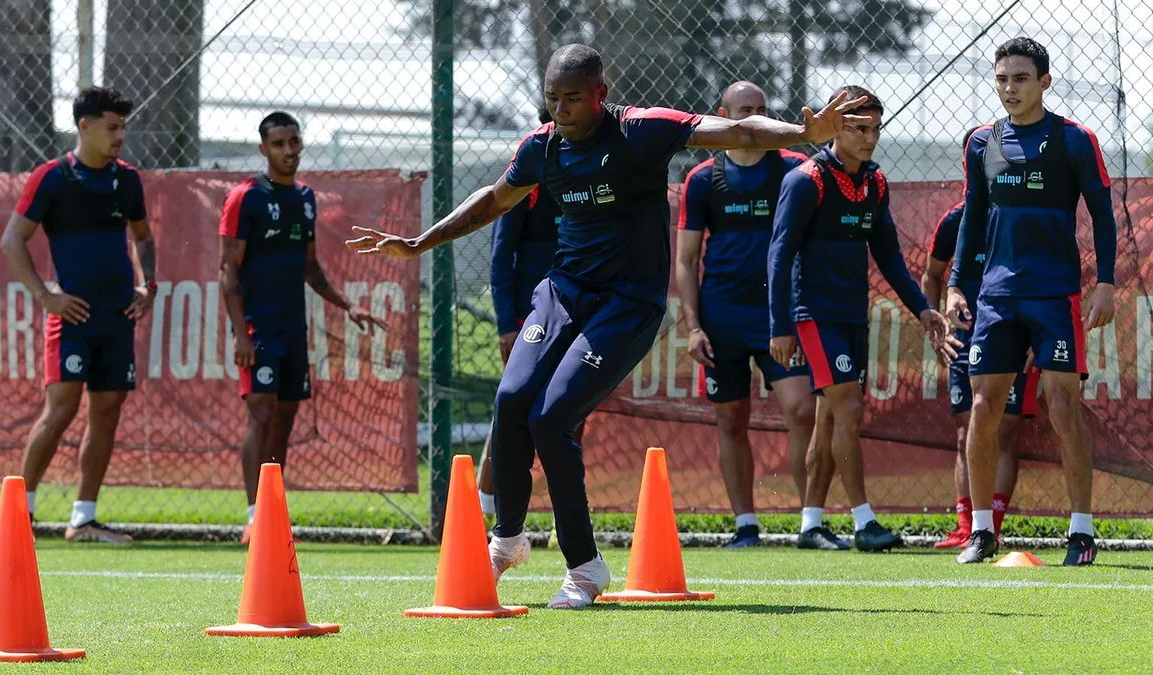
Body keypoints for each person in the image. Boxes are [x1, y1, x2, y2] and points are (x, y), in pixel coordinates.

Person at [347, 44, 870, 607]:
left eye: (573, 98)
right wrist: (421, 241)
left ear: (600, 93)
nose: (562, 110)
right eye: (553, 99)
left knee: (552, 418)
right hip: (563, 291)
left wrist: (801, 132)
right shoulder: (542, 146)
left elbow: (738, 131)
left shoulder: (641, 130)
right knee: (512, 400)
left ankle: (585, 567)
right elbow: (495, 199)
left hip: (629, 303)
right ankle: (508, 538)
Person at [947, 38, 1116, 565]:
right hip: (996, 297)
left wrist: (1106, 282)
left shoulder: (1075, 140)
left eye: (1020, 78)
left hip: (1054, 295)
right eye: (1001, 78)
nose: (1009, 88)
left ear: (1044, 82)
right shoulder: (981, 142)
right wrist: (956, 284)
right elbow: (973, 217)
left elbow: (1103, 214)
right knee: (983, 408)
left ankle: (1081, 532)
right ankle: (981, 531)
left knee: (1063, 406)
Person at [767, 85, 948, 553]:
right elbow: (779, 255)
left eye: (875, 129)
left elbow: (889, 257)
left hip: (853, 315)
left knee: (831, 418)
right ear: (836, 126)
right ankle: (864, 521)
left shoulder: (875, 183)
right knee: (848, 407)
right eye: (858, 129)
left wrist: (924, 309)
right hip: (814, 315)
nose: (869, 139)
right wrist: (780, 326)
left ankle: (810, 524)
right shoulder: (806, 180)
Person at [219, 112, 385, 544]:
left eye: (293, 142)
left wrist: (348, 305)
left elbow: (310, 266)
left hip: (293, 328)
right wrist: (240, 333)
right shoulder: (244, 197)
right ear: (263, 149)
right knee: (260, 412)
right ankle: (254, 516)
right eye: (278, 144)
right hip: (258, 329)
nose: (288, 150)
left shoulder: (305, 198)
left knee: (285, 418)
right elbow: (228, 271)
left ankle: (272, 510)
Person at [1, 86, 154, 543]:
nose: (120, 135)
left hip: (117, 318)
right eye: (112, 127)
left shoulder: (127, 180)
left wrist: (149, 285)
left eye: (123, 127)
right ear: (85, 127)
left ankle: (83, 519)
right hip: (71, 320)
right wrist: (46, 296)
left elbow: (143, 237)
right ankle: (19, 516)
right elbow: (12, 240)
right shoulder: (53, 177)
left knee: (106, 411)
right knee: (61, 409)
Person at [677, 81, 821, 548]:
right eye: (745, 110)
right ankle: (745, 525)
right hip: (723, 319)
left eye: (762, 109)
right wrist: (694, 327)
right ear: (723, 117)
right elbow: (686, 261)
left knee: (803, 411)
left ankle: (811, 523)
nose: (755, 117)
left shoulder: (795, 169)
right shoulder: (702, 179)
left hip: (781, 317)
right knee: (731, 421)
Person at [922, 142, 1039, 549]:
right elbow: (932, 275)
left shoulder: (1024, 217)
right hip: (966, 340)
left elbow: (1045, 277)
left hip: (1013, 336)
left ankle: (993, 527)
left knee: (1005, 433)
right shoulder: (954, 221)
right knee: (967, 432)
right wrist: (937, 328)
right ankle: (967, 525)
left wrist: (1037, 336)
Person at [478, 108, 578, 521]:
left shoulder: (596, 171)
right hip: (531, 316)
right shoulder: (528, 175)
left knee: (572, 411)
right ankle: (484, 506)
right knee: (513, 408)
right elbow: (501, 257)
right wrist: (507, 324)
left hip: (580, 311)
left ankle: (566, 517)